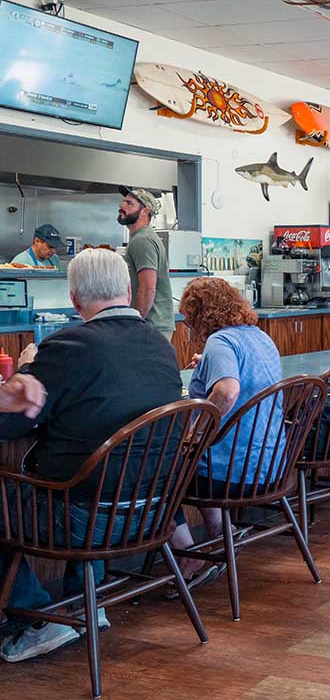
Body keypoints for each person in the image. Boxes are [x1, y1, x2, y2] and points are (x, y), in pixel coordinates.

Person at [0, 248, 182, 661]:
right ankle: (83, 602)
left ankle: (34, 618)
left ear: (74, 297)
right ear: (127, 289)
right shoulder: (160, 344)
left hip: (86, 520)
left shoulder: (68, 346)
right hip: (153, 513)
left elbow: (10, 424)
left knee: (55, 489)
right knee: (91, 472)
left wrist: (27, 371)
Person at [169, 277, 283, 583]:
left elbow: (229, 390)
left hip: (233, 474)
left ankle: (190, 556)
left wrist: (198, 431)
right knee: (199, 460)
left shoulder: (218, 342)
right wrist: (209, 363)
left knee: (160, 473)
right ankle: (222, 534)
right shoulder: (259, 336)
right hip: (270, 466)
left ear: (198, 315)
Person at [118, 187, 174, 339]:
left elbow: (148, 288)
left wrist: (135, 322)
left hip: (150, 326)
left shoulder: (142, 241)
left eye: (129, 204)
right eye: (123, 202)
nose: (121, 207)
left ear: (145, 211)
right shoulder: (143, 237)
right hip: (153, 325)